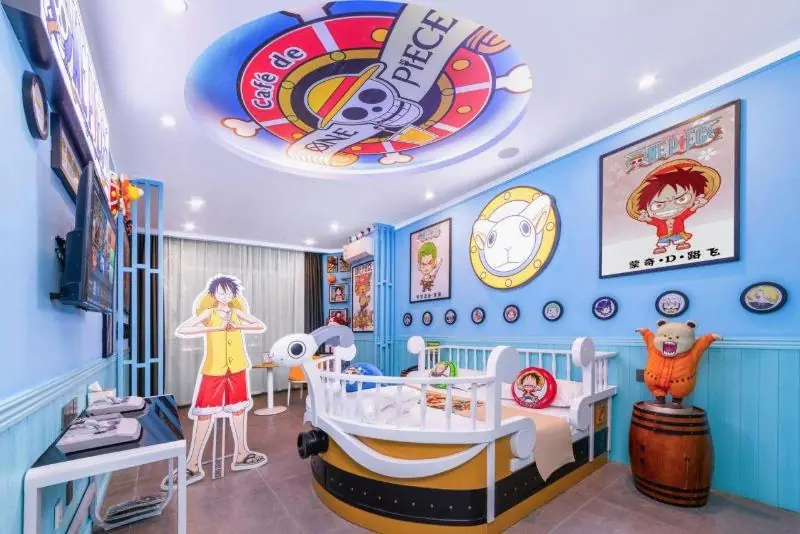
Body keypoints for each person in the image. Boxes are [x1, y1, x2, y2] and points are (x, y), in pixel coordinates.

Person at [162, 275, 267, 489]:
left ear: (233, 294)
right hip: (214, 368)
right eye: (221, 292)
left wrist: (237, 327)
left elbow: (258, 325)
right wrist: (215, 328)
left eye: (229, 292)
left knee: (239, 410)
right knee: (205, 413)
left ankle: (241, 453)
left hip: (237, 367)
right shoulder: (209, 313)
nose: (225, 296)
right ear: (214, 294)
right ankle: (193, 463)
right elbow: (183, 329)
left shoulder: (236, 312)